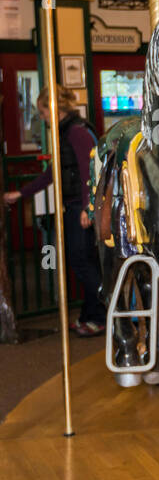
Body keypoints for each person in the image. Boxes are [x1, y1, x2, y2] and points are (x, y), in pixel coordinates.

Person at [3, 88, 106, 336]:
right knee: (85, 262)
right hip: (76, 206)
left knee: (81, 263)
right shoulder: (69, 131)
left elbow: (87, 172)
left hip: (79, 208)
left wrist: (87, 207)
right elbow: (54, 172)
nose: (42, 117)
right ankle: (92, 315)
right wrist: (22, 193)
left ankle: (108, 310)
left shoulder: (76, 132)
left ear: (54, 109)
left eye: (42, 112)